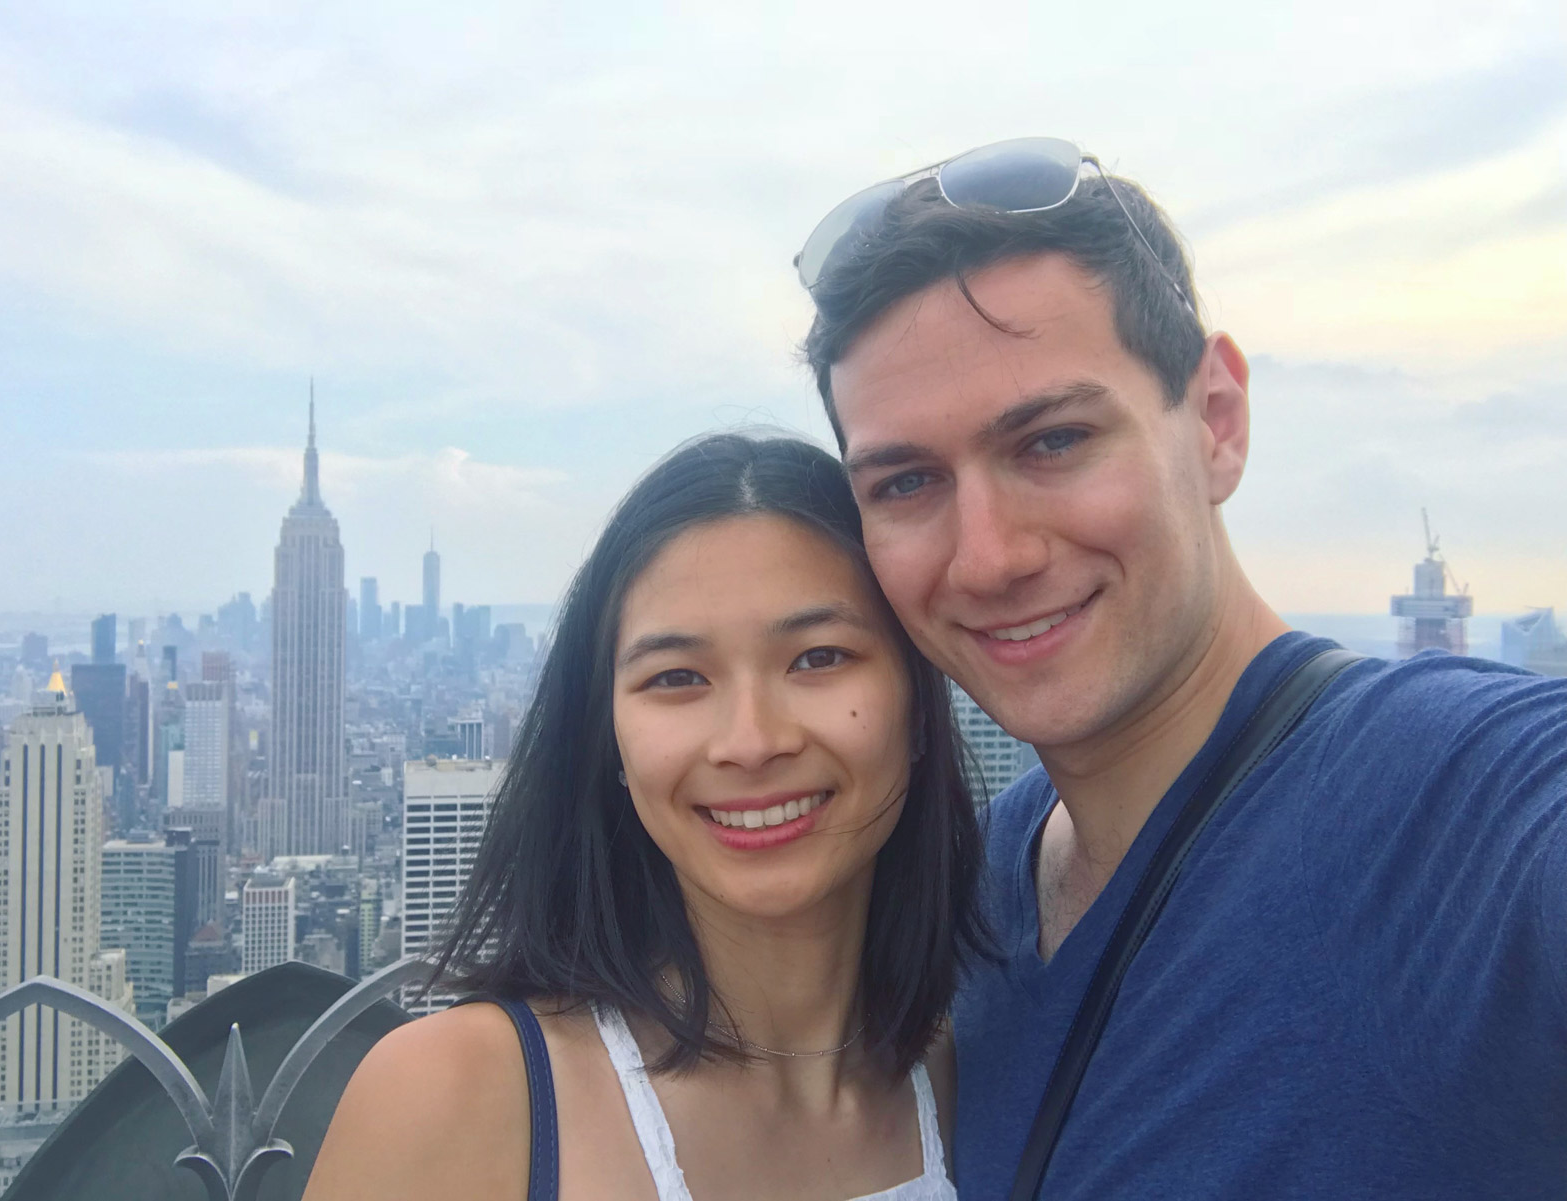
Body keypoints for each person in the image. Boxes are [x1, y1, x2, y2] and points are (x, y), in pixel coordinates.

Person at [796, 137, 1567, 1199]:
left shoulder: (1464, 807)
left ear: (1216, 420)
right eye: (906, 482)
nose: (988, 556)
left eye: (1053, 442)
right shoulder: (984, 881)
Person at [304, 434, 987, 1201]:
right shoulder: (459, 1098)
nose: (752, 741)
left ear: (920, 707)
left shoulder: (988, 1072)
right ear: (611, 746)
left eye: (818, 657)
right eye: (677, 677)